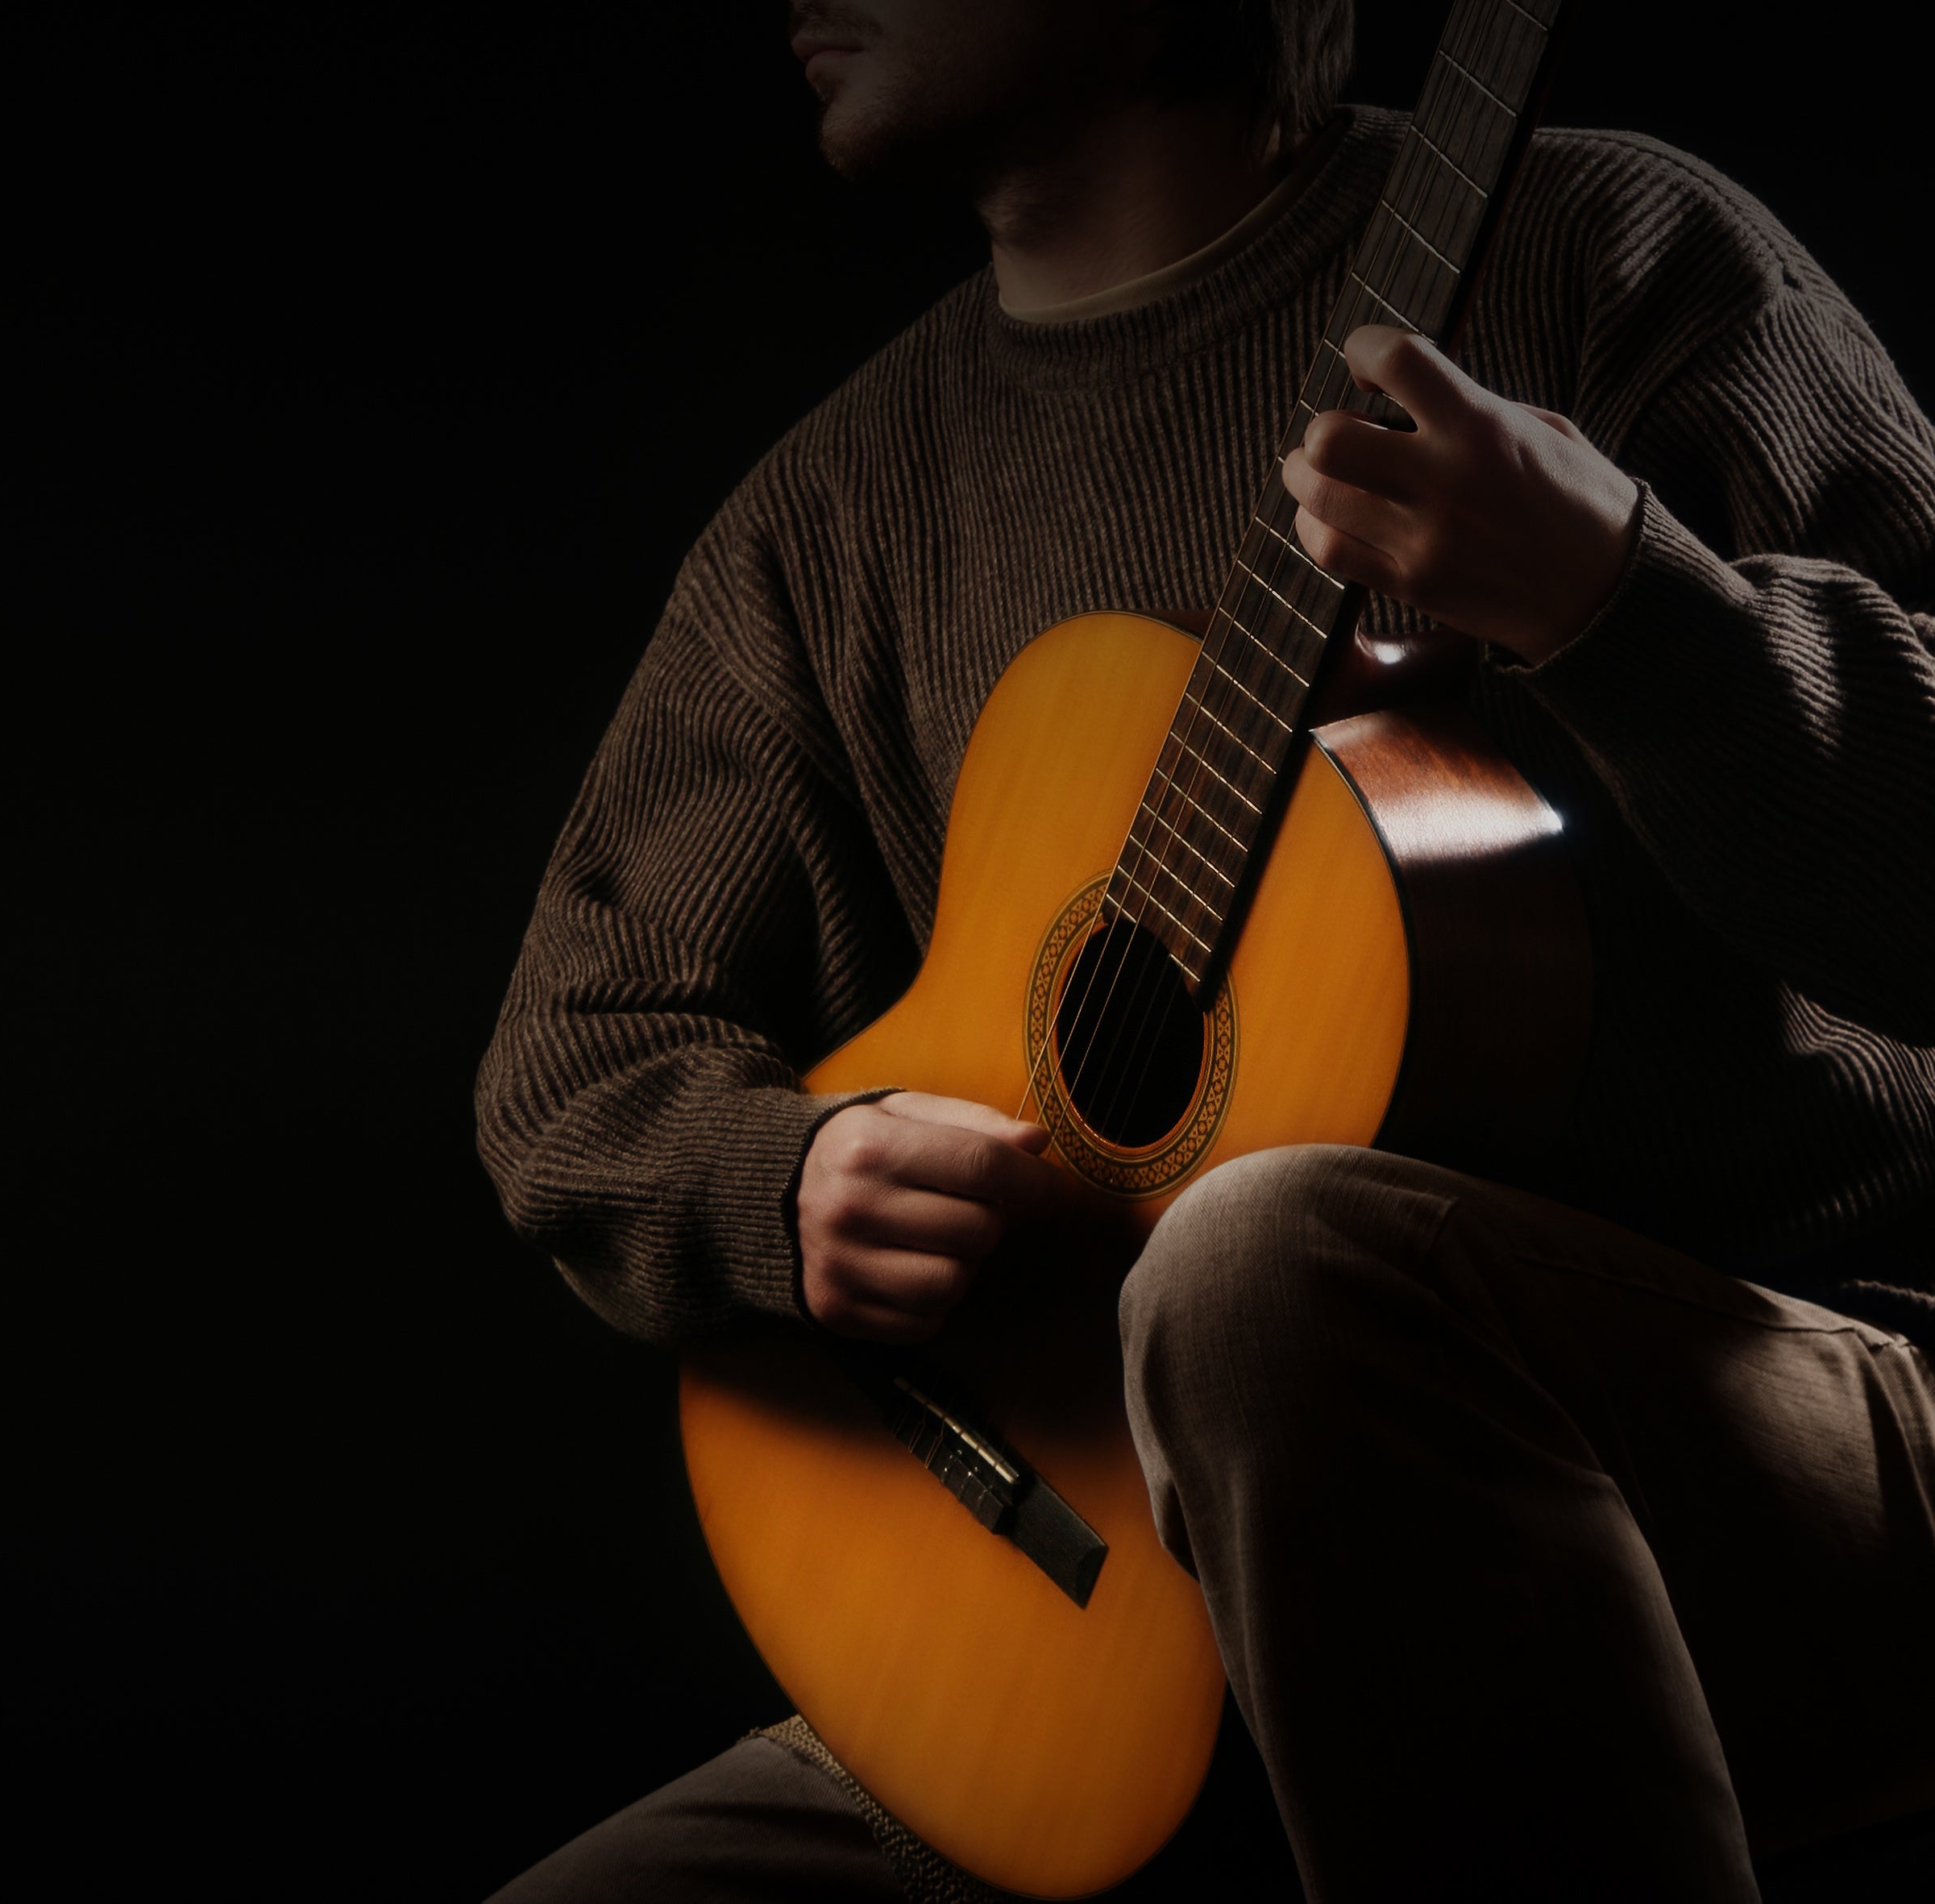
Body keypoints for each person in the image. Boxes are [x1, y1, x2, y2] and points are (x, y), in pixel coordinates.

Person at [473, 2, 1935, 1899]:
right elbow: (573, 1048)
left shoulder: (1594, 251)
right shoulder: (830, 516)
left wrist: (1619, 605)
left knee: (1250, 1260)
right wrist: (786, 1170)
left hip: (1792, 1411)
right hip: (1112, 1584)